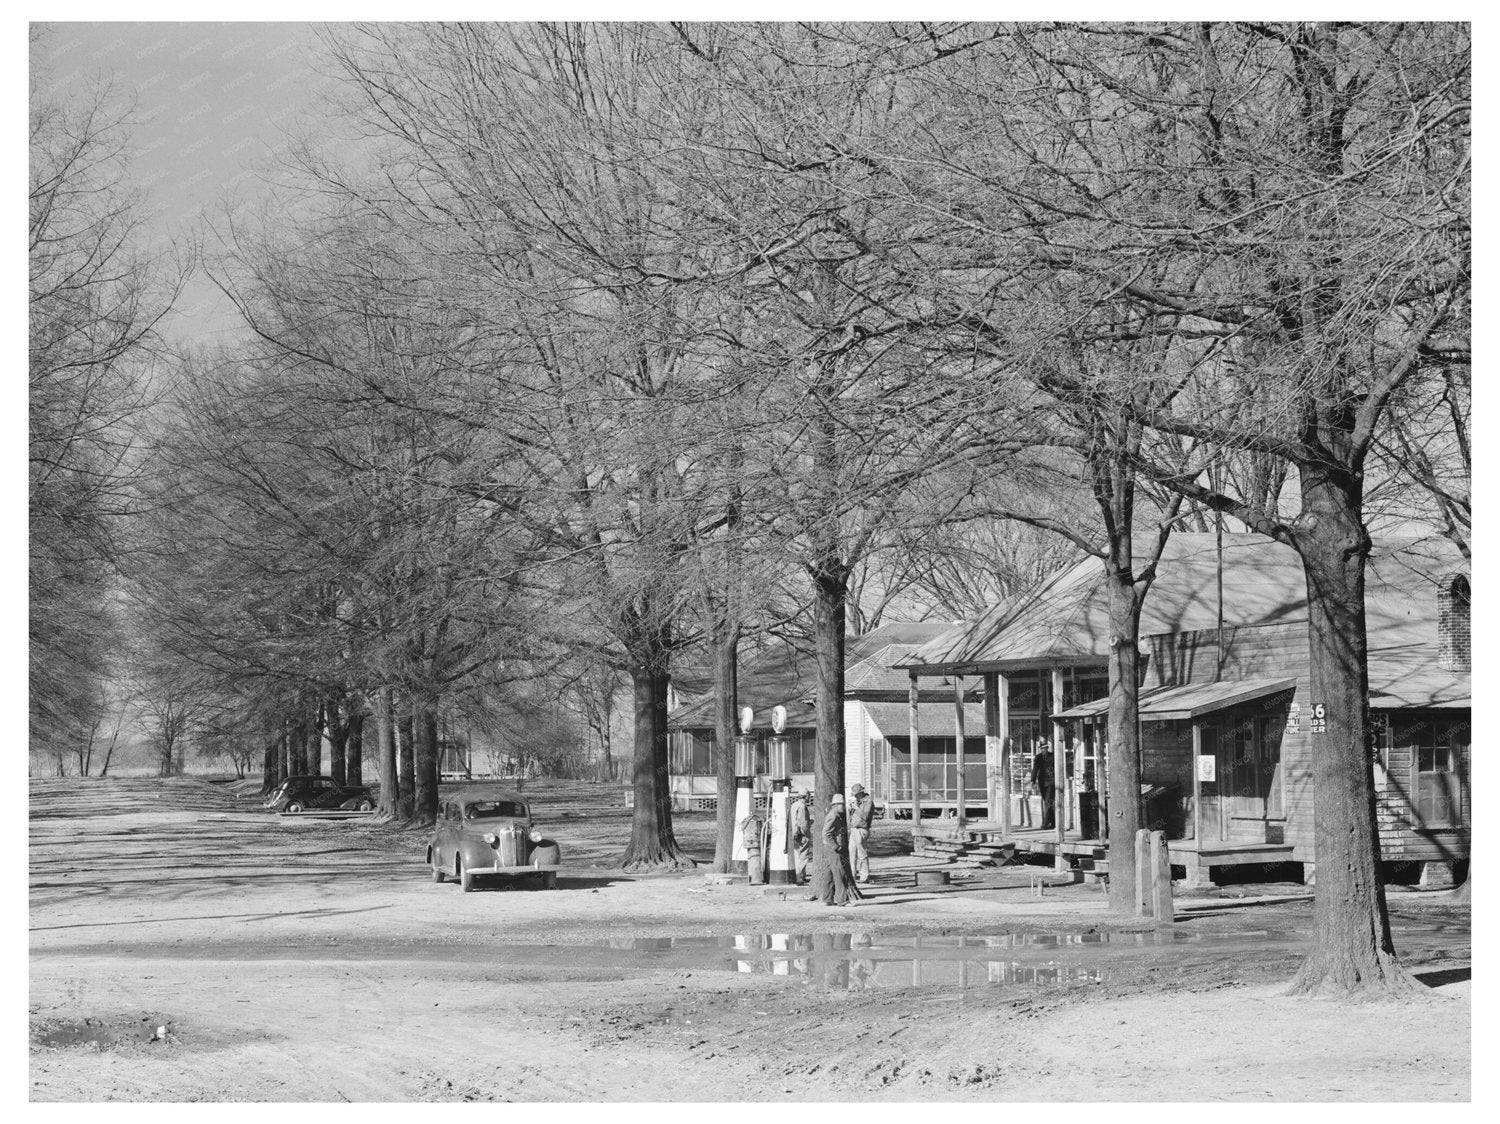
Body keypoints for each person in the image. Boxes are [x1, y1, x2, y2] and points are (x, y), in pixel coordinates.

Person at [819, 794, 864, 906]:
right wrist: (835, 846)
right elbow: (826, 833)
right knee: (839, 873)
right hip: (832, 849)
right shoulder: (833, 816)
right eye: (841, 804)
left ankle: (827, 898)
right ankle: (842, 900)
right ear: (834, 805)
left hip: (828, 847)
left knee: (829, 873)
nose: (843, 807)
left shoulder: (836, 814)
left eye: (843, 804)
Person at [848, 783, 875, 883]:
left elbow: (865, 816)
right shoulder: (858, 801)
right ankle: (852, 875)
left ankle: (865, 876)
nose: (855, 796)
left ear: (861, 792)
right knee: (851, 852)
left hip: (862, 829)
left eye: (856, 794)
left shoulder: (868, 801)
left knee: (861, 854)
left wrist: (856, 808)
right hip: (854, 829)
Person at [1031, 738, 1056, 830]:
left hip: (1051, 782)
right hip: (1042, 782)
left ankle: (1045, 823)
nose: (1044, 750)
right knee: (1048, 802)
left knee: (1048, 802)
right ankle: (1053, 822)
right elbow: (1035, 769)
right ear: (1040, 749)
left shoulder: (1052, 756)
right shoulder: (1038, 757)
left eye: (1045, 748)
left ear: (1047, 748)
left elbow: (1056, 768)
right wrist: (1033, 780)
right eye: (1042, 748)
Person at [791, 792, 813, 883]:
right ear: (806, 796)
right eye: (809, 795)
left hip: (794, 833)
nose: (810, 797)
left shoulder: (794, 805)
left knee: (797, 855)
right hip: (801, 835)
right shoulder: (802, 807)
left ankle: (801, 876)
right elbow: (802, 823)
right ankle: (799, 877)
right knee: (803, 856)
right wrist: (806, 833)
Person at [739, 807, 764, 883]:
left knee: (753, 858)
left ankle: (755, 878)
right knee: (754, 858)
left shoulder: (748, 821)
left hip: (752, 842)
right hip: (754, 842)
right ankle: (756, 879)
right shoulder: (755, 820)